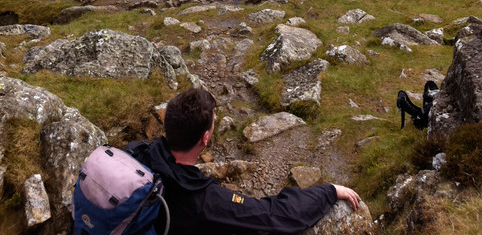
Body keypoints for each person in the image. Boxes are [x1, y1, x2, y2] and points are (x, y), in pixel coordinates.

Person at [140, 88, 361, 235]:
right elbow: (274, 214)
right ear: (205, 138)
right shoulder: (206, 202)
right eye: (213, 122)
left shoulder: (136, 154)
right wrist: (329, 191)